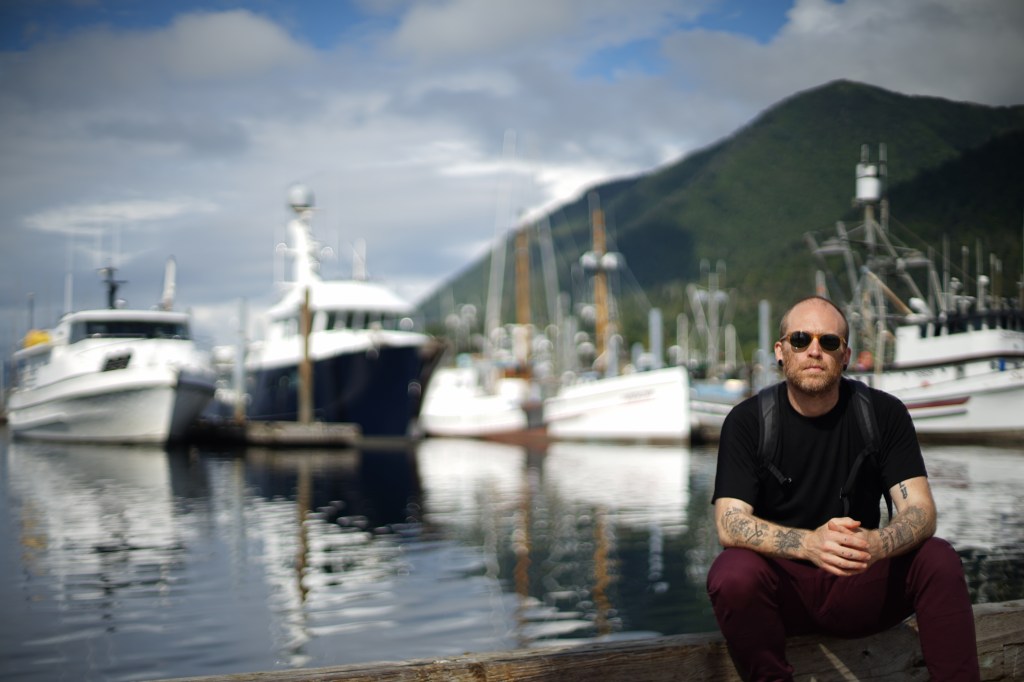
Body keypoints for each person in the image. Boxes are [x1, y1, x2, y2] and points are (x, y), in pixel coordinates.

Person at [706, 295, 979, 681]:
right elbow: (729, 523)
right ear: (781, 351)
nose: (814, 351)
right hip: (784, 596)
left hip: (860, 581)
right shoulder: (747, 422)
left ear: (846, 355)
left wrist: (878, 544)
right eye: (801, 340)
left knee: (938, 558)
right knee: (732, 573)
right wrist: (811, 544)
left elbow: (920, 510)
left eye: (829, 342)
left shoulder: (883, 414)